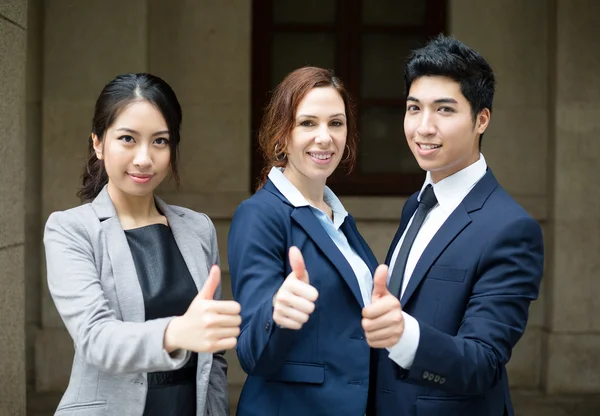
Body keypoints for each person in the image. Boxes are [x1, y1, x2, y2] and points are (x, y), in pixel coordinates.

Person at [362, 35, 544, 416]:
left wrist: (403, 336)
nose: (423, 128)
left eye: (444, 110)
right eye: (414, 108)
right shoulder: (417, 204)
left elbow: (484, 362)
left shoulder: (511, 229)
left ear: (482, 119)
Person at [43, 73, 241, 416]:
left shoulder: (198, 228)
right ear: (98, 143)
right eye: (127, 139)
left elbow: (213, 357)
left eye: (160, 141)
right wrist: (176, 332)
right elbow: (96, 339)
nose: (144, 158)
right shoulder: (71, 229)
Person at [228, 67, 378, 416]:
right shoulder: (260, 215)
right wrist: (277, 312)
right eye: (308, 123)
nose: (324, 137)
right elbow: (251, 353)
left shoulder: (336, 216)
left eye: (336, 123)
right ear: (282, 135)